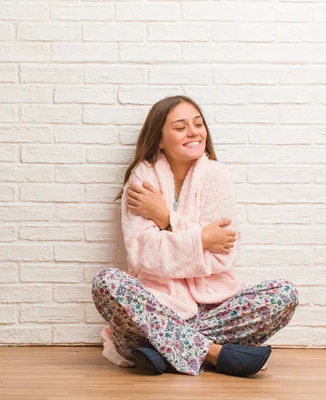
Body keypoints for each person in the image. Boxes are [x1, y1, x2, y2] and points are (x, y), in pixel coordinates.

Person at [91, 95, 299, 378]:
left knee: (283, 294)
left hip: (210, 307)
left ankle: (161, 352)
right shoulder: (141, 182)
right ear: (160, 139)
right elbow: (145, 254)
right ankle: (213, 352)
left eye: (198, 124)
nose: (194, 132)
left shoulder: (216, 176)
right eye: (180, 127)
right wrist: (201, 238)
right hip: (157, 305)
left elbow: (222, 254)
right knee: (107, 282)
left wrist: (166, 219)